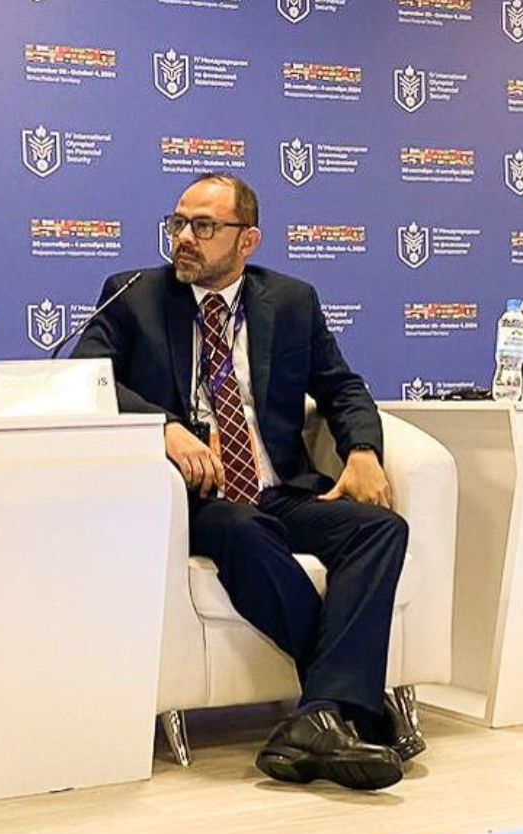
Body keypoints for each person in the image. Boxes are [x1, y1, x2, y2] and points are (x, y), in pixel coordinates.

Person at [72, 173, 413, 791]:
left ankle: (319, 719)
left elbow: (342, 387)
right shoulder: (132, 294)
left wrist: (363, 450)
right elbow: (87, 377)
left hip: (280, 487)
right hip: (200, 498)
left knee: (380, 529)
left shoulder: (291, 300)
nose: (184, 238)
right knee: (245, 530)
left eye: (204, 226)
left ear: (246, 240)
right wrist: (164, 427)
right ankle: (356, 706)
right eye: (178, 223)